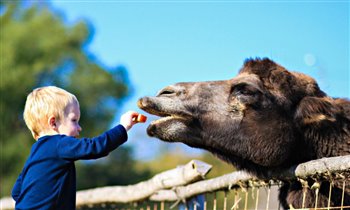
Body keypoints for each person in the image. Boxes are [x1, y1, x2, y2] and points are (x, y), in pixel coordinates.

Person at [12, 86, 141, 209]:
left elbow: (17, 192)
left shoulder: (35, 152)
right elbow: (95, 147)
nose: (79, 128)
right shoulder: (59, 143)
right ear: (53, 123)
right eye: (74, 120)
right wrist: (123, 127)